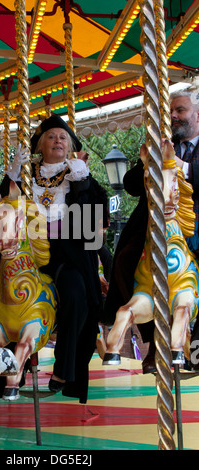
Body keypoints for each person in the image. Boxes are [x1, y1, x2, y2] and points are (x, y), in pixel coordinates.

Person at [0, 114, 109, 403]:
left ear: (70, 146)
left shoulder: (78, 174)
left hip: (66, 250)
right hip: (22, 247)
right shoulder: (27, 175)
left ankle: (64, 368)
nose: (57, 141)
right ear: (40, 144)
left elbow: (92, 222)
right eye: (51, 136)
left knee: (77, 291)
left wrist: (82, 183)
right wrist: (12, 177)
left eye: (63, 137)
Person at [103, 89, 199, 373]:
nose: (173, 116)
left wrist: (185, 168)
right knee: (125, 259)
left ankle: (193, 345)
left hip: (192, 222)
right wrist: (148, 159)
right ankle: (155, 339)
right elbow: (132, 185)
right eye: (170, 111)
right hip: (156, 227)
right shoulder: (160, 144)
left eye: (180, 110)